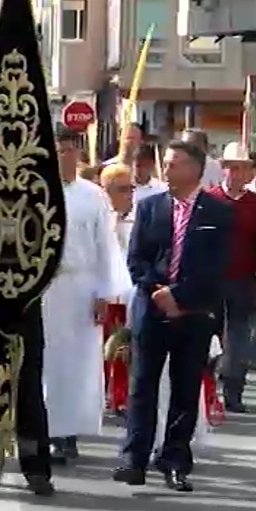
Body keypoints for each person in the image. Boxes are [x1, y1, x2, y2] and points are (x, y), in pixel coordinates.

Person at [115, 140, 232, 493]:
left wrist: (179, 296)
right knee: (142, 386)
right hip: (151, 309)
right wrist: (157, 292)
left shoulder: (218, 212)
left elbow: (216, 266)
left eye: (175, 163)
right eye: (166, 163)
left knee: (184, 389)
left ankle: (175, 461)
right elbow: (137, 260)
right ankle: (134, 459)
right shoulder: (150, 207)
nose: (167, 170)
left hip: (193, 311)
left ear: (195, 169)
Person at [43, 130, 129, 463]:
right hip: (46, 288)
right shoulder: (36, 191)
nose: (63, 157)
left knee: (76, 363)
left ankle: (69, 432)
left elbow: (106, 247)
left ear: (77, 154)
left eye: (68, 151)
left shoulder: (93, 196)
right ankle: (45, 429)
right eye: (57, 150)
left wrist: (104, 293)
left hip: (81, 286)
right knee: (46, 361)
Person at [204, 142, 256, 413]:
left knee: (238, 339)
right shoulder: (209, 199)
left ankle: (233, 392)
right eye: (232, 168)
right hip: (211, 282)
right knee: (207, 337)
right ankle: (205, 390)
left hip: (243, 282)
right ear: (224, 169)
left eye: (242, 168)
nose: (236, 173)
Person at [99, 163, 136, 415]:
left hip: (128, 294)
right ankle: (101, 393)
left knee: (124, 347)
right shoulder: (101, 217)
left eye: (130, 188)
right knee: (101, 349)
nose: (128, 194)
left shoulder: (140, 218)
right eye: (122, 189)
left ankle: (121, 396)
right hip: (104, 292)